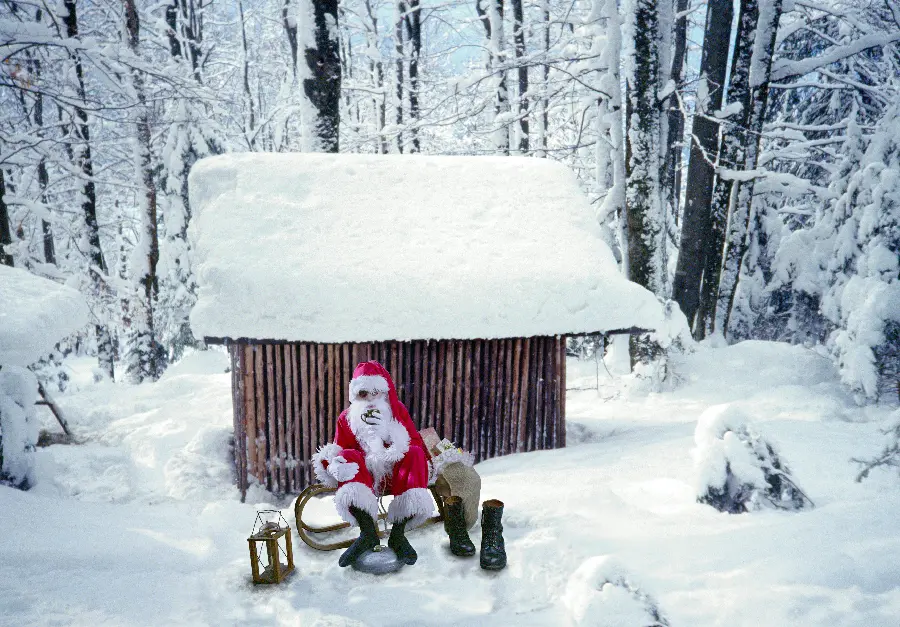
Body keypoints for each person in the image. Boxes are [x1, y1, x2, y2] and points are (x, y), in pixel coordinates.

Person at [312, 360, 433, 567]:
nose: (369, 399)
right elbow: (337, 449)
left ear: (383, 392)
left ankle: (398, 534)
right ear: (355, 395)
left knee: (414, 453)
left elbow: (415, 443)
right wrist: (334, 465)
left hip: (395, 474)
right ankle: (368, 533)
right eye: (363, 394)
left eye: (375, 393)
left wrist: (389, 436)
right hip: (365, 476)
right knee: (347, 455)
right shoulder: (346, 418)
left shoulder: (396, 410)